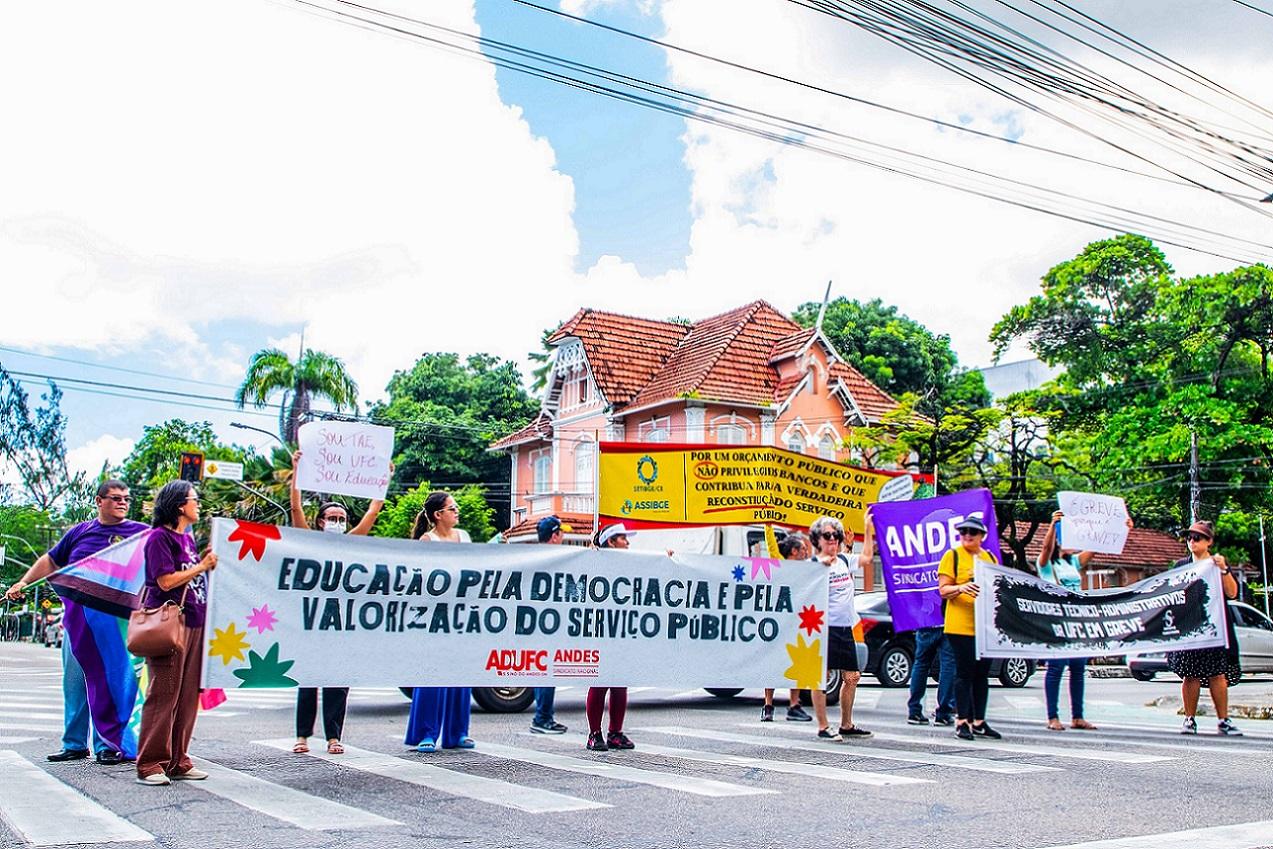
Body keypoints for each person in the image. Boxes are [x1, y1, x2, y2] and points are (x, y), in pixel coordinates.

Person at [5, 480, 149, 765]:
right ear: (99, 501)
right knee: (74, 684)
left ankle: (108, 744)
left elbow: (165, 556)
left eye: (126, 499)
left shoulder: (139, 534)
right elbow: (50, 561)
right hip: (77, 623)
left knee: (109, 683)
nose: (122, 502)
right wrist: (23, 581)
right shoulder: (80, 533)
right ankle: (74, 744)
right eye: (116, 498)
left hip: (116, 626)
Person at [288, 450, 384, 756]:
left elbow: (373, 511)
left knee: (338, 680)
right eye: (332, 518)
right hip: (312, 618)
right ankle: (302, 736)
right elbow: (295, 508)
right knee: (308, 679)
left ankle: (333, 736)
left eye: (341, 519)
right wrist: (297, 471)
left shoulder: (350, 542)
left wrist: (384, 476)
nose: (337, 522)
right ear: (319, 522)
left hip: (341, 619)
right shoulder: (307, 540)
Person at [136, 480, 218, 785]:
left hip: (195, 621)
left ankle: (178, 759)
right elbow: (165, 581)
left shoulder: (186, 539)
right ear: (179, 505)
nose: (198, 505)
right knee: (163, 693)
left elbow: (190, 576)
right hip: (170, 622)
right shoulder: (159, 538)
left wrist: (204, 564)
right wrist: (201, 567)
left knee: (186, 695)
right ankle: (150, 763)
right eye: (194, 500)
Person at [1036, 509, 1132, 731]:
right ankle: (1053, 717)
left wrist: (1121, 528)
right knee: (1056, 668)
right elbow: (1044, 549)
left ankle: (1078, 716)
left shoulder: (1072, 563)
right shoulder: (1047, 565)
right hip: (1058, 621)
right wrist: (1052, 524)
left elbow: (1095, 550)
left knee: (1078, 668)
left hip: (1077, 621)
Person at [405, 491, 476, 753]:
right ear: (438, 515)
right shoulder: (427, 539)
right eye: (452, 508)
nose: (456, 512)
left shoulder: (464, 537)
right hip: (434, 615)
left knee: (461, 672)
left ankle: (458, 732)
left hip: (461, 613)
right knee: (432, 673)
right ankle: (426, 733)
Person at [1166, 520, 1243, 737]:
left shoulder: (1216, 564)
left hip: (1214, 626)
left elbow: (1232, 593)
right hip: (1190, 627)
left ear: (1209, 541)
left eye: (1197, 537)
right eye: (1189, 537)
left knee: (1217, 674)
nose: (1192, 541)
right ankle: (1189, 719)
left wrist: (1224, 570)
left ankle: (1223, 720)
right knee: (1190, 675)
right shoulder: (1182, 565)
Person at [937, 515, 1001, 741]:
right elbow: (943, 590)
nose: (966, 536)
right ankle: (962, 720)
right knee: (964, 673)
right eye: (963, 532)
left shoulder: (990, 557)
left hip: (983, 626)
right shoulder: (952, 556)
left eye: (971, 533)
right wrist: (962, 587)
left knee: (981, 675)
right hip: (959, 625)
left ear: (982, 536)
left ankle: (979, 721)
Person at [810, 514, 873, 741]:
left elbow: (867, 557)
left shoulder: (844, 561)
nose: (833, 540)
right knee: (821, 676)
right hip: (824, 628)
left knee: (853, 677)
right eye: (827, 536)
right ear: (818, 540)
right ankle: (823, 725)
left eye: (835, 535)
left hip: (845, 627)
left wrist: (866, 528)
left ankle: (846, 724)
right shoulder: (813, 566)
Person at [585, 522, 637, 751]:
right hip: (601, 628)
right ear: (611, 541)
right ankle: (594, 734)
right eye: (623, 538)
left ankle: (615, 732)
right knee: (600, 680)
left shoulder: (630, 564)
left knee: (620, 681)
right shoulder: (597, 563)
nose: (627, 542)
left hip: (622, 629)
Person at [762, 532, 814, 723]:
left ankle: (794, 705)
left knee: (797, 662)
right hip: (778, 623)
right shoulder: (780, 565)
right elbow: (771, 544)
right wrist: (768, 518)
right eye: (803, 549)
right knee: (773, 664)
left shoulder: (808, 570)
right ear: (794, 551)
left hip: (796, 623)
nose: (807, 553)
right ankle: (768, 705)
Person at [529, 515, 568, 734]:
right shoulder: (554, 558)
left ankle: (544, 716)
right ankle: (542, 718)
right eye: (561, 533)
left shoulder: (534, 557)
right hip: (545, 625)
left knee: (543, 672)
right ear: (555, 535)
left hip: (540, 623)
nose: (563, 537)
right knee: (545, 672)